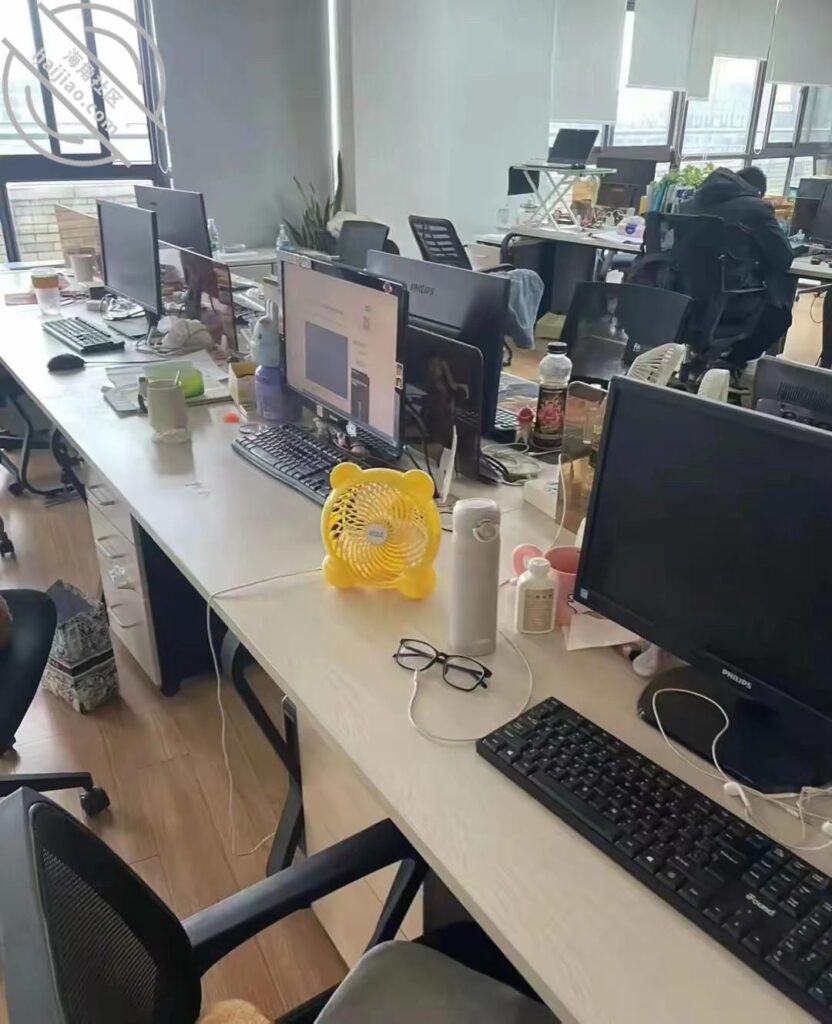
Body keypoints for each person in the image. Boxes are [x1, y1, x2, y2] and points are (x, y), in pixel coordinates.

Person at [679, 166, 794, 367]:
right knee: (779, 313)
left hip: (681, 299)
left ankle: (710, 360)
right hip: (729, 304)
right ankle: (730, 362)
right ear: (758, 191)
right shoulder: (756, 208)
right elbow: (783, 258)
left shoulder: (689, 205)